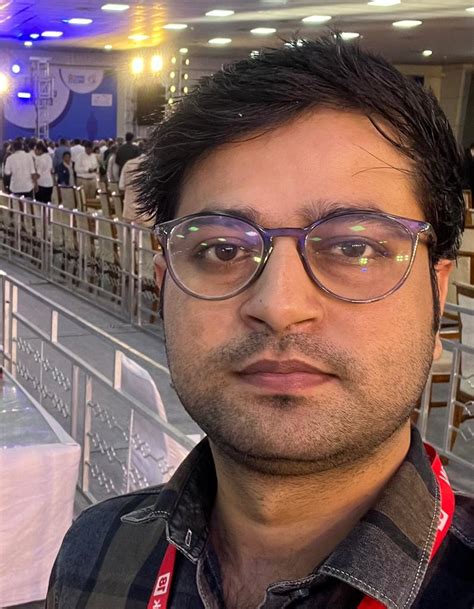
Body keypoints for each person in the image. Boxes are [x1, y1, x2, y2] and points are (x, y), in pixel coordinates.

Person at [47, 36, 473, 609]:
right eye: (223, 250)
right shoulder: (98, 554)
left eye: (354, 248)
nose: (279, 305)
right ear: (164, 283)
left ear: (437, 294)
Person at [119, 145, 153, 226]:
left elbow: (121, 186)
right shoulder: (152, 165)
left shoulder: (128, 164)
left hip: (129, 211)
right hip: (146, 214)